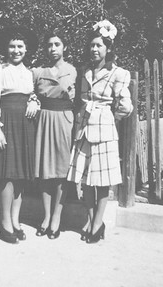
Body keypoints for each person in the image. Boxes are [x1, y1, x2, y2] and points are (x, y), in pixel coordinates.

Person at [67, 20, 133, 243]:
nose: (94, 49)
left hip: (104, 130)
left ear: (108, 49)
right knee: (85, 179)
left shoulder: (118, 73)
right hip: (83, 129)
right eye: (92, 45)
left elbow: (126, 105)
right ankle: (90, 218)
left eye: (99, 46)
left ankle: (97, 223)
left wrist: (111, 117)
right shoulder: (85, 71)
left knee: (102, 180)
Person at [0, 26, 40, 244]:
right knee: (8, 174)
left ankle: (16, 220)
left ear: (26, 49)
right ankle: (5, 221)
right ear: (6, 48)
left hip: (26, 126)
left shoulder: (29, 73)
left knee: (21, 175)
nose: (16, 50)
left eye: (20, 46)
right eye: (12, 46)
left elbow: (34, 94)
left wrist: (34, 101)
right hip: (6, 123)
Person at [33, 31, 77, 239]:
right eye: (49, 45)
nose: (53, 48)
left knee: (61, 169)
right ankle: (46, 216)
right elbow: (30, 93)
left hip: (64, 119)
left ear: (64, 47)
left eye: (57, 44)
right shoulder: (38, 72)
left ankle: (57, 217)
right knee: (44, 168)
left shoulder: (73, 71)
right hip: (44, 119)